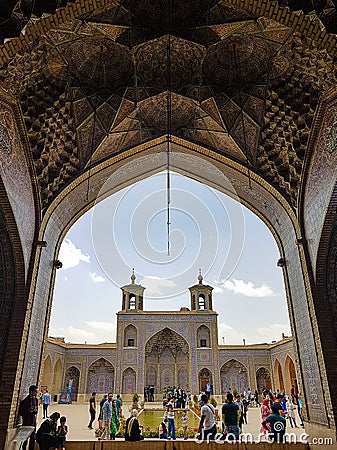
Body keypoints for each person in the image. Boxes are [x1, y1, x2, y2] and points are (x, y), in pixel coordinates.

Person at [19, 385, 39, 450]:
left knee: (33, 438)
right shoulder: (25, 401)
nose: (36, 393)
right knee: (25, 439)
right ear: (31, 392)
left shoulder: (35, 400)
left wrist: (35, 411)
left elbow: (36, 411)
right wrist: (28, 410)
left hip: (33, 421)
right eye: (35, 391)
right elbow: (21, 412)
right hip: (27, 421)